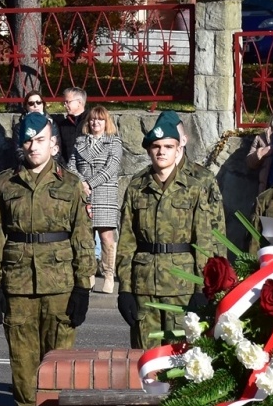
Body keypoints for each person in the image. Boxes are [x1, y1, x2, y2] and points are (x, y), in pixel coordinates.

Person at [0, 112, 94, 406]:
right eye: (28, 140)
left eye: (40, 140)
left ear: (54, 145)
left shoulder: (71, 184)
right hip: (17, 281)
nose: (33, 147)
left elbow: (82, 235)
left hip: (60, 281)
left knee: (59, 354)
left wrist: (84, 285)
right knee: (22, 349)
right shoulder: (6, 182)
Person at [115, 111, 225, 348]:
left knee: (184, 362)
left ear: (179, 149)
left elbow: (205, 241)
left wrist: (202, 288)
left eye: (168, 146)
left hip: (182, 287)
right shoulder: (137, 186)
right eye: (156, 146)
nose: (161, 151)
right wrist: (124, 289)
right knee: (146, 363)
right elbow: (126, 241)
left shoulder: (194, 187)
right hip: (144, 286)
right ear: (148, 150)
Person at [70, 104, 124, 293]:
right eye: (92, 119)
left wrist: (90, 183)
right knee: (86, 236)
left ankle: (108, 275)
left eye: (100, 119)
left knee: (106, 236)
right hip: (84, 194)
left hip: (105, 192)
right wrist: (82, 183)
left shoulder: (114, 142)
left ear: (106, 122)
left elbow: (112, 168)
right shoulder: (80, 142)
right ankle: (89, 274)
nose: (95, 122)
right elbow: (71, 166)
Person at [55, 87, 89, 156]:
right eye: (64, 102)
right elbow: (60, 150)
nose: (65, 105)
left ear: (79, 102)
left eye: (68, 102)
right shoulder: (64, 125)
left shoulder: (91, 121)